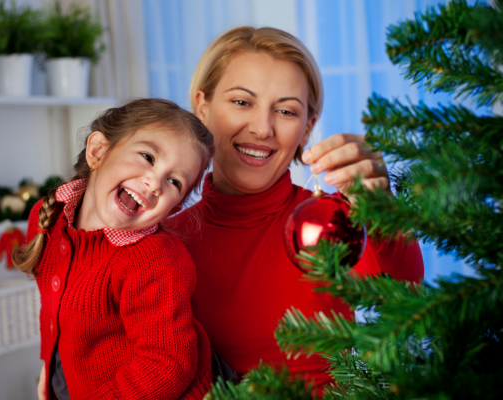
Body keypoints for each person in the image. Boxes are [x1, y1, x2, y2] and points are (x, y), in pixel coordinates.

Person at [169, 26, 424, 392]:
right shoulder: (166, 239)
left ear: (307, 129)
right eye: (242, 102)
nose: (262, 128)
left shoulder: (333, 223)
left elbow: (403, 294)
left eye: (286, 111)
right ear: (203, 107)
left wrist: (381, 208)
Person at [13, 99, 215, 400]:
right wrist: (50, 363)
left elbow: (166, 364)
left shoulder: (154, 259)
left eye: (174, 181)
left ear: (175, 207)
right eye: (148, 156)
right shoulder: (48, 218)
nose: (154, 183)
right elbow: (53, 310)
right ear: (97, 152)